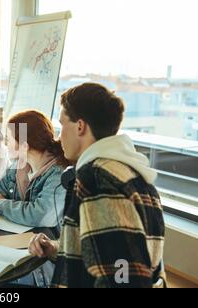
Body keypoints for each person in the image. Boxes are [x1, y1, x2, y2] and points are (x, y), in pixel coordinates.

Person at [29, 83, 166, 288]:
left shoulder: (97, 181)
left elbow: (123, 278)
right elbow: (110, 251)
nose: (59, 136)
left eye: (62, 125)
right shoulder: (128, 171)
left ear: (80, 126)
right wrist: (57, 248)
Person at [0, 110, 68, 231]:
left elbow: (41, 215)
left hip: (44, 244)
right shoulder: (18, 165)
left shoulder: (58, 174)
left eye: (8, 140)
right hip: (17, 237)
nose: (6, 145)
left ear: (24, 146)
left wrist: (0, 203)